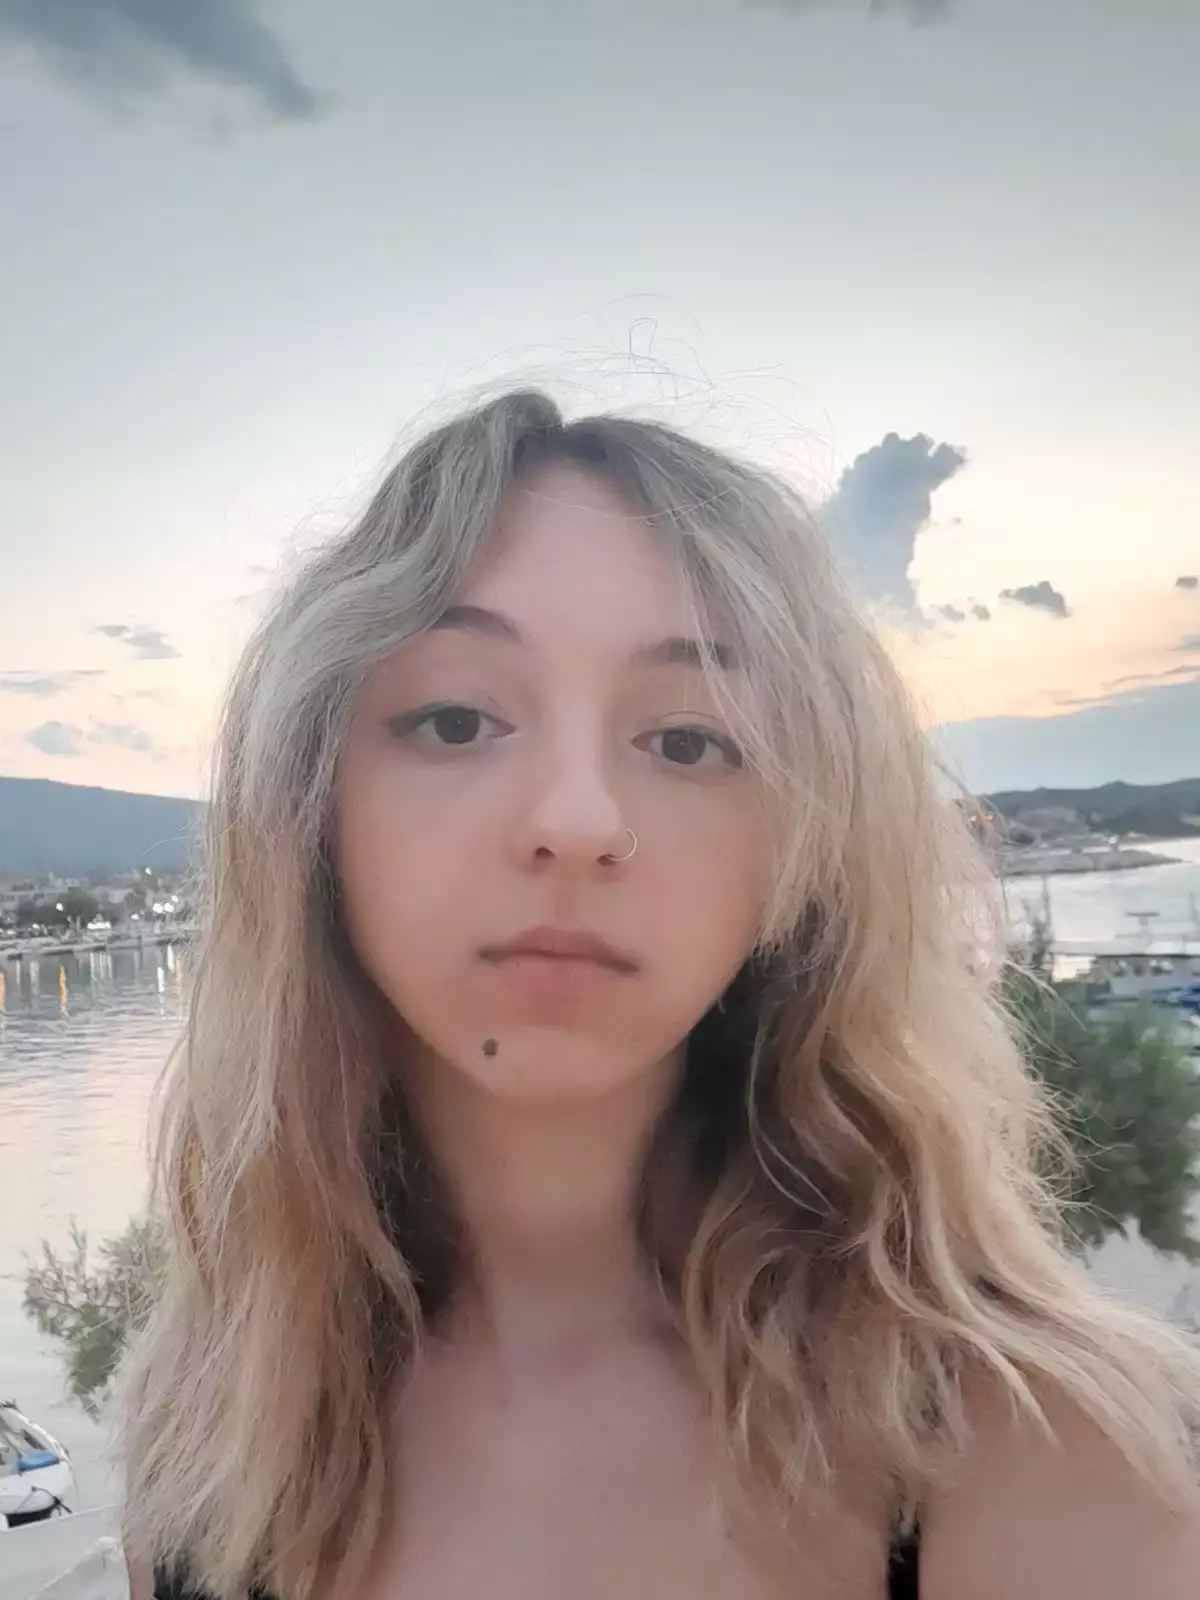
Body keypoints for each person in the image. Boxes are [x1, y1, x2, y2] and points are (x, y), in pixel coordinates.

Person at [120, 390, 1200, 1600]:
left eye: (688, 741)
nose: (578, 820)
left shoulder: (1034, 1454)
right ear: (312, 812)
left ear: (801, 852)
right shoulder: (215, 1439)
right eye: (458, 719)